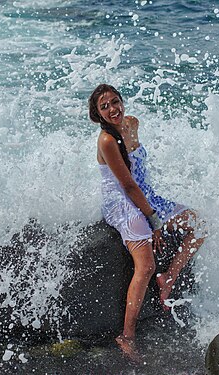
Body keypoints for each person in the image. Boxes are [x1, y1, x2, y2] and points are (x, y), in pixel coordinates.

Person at [88, 83, 206, 362]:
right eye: (105, 107)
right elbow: (127, 186)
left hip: (146, 195)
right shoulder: (106, 140)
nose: (113, 109)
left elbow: (141, 177)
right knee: (146, 264)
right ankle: (126, 336)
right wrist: (153, 221)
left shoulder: (132, 123)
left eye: (115, 102)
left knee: (199, 225)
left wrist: (154, 210)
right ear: (98, 114)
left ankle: (169, 279)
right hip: (121, 202)